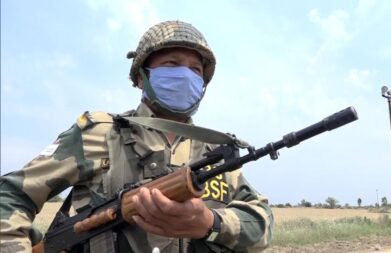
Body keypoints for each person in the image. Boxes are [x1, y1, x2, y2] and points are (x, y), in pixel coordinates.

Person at [0, 20, 273, 253]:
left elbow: (263, 223)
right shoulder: (101, 133)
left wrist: (211, 223)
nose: (186, 75)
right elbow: (11, 195)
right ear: (142, 77)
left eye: (195, 70)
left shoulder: (214, 152)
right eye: (172, 64)